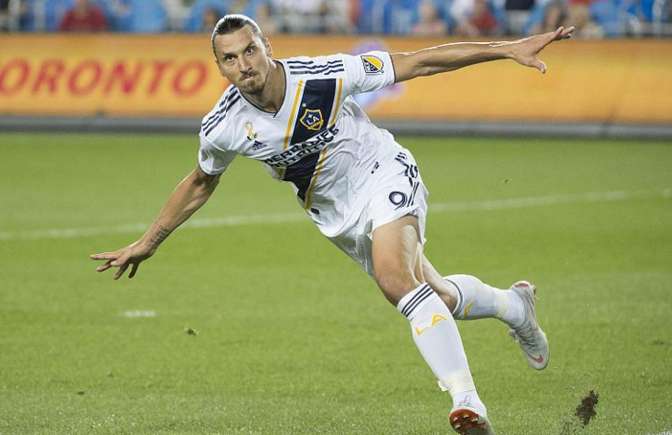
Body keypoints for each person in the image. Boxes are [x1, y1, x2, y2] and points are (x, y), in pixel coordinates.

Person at [91, 14, 573, 434]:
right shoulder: (223, 126)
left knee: (394, 278)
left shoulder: (325, 74)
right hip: (339, 219)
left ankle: (467, 402)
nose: (245, 65)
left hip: (382, 170)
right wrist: (149, 241)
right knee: (437, 297)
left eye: (251, 51)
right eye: (231, 59)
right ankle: (514, 306)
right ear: (219, 66)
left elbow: (417, 62)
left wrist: (506, 49)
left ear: (267, 48)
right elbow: (201, 181)